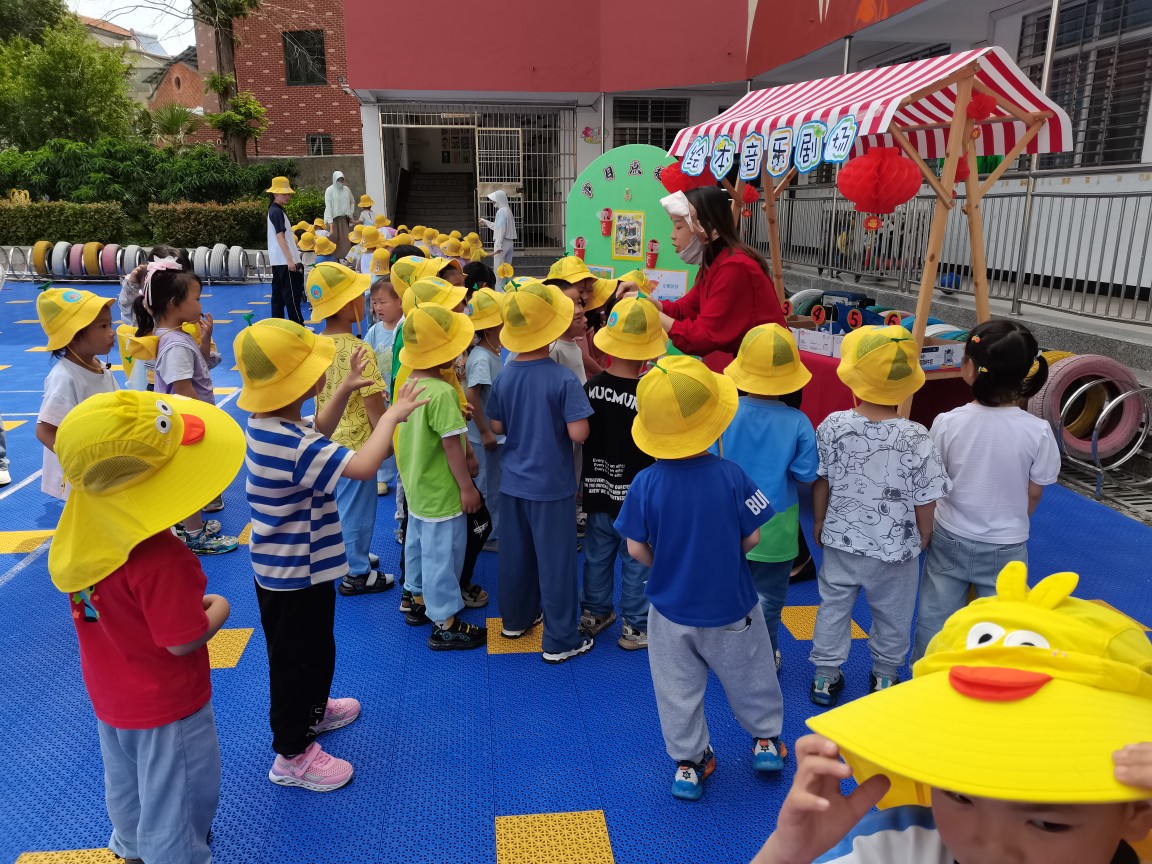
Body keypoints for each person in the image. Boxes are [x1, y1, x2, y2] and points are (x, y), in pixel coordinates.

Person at [752, 562, 1152, 864]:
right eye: (959, 794)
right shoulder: (898, 848)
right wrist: (786, 854)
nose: (991, 850)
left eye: (1049, 823)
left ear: (1137, 812)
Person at [47, 389, 244, 864]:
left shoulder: (83, 546)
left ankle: (133, 849)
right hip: (168, 705)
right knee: (178, 797)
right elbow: (182, 641)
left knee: (127, 787)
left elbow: (116, 614)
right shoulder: (161, 557)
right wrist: (219, 609)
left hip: (112, 700)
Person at [235, 318, 427, 792]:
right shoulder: (290, 442)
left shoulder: (270, 424)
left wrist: (342, 390)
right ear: (295, 384)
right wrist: (389, 417)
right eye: (314, 369)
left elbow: (318, 429)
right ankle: (292, 754)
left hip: (298, 566)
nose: (322, 371)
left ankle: (314, 711)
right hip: (293, 573)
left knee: (316, 648)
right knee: (295, 660)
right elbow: (362, 465)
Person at [615, 354, 787, 801]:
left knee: (677, 690)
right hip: (732, 603)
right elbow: (753, 536)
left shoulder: (645, 483)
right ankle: (766, 741)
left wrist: (668, 564)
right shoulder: (731, 475)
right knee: (752, 674)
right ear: (714, 423)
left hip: (670, 610)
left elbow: (635, 549)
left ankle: (689, 764)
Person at [810, 325, 951, 707]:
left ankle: (825, 676)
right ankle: (885, 675)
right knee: (894, 613)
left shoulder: (833, 425)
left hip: (841, 540)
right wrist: (924, 533)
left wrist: (820, 520)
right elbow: (926, 496)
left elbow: (821, 480)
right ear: (907, 386)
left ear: (854, 380)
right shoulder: (916, 436)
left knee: (833, 606)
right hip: (896, 547)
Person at [911, 320, 1061, 661]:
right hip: (1006, 544)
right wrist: (1016, 518)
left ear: (969, 368)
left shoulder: (948, 422)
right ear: (1025, 373)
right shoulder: (1038, 431)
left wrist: (926, 530)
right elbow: (1034, 492)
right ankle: (991, 678)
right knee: (1000, 622)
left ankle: (926, 672)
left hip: (950, 535)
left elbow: (932, 483)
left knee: (936, 616)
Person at [486, 282, 594, 663]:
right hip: (552, 486)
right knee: (557, 562)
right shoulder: (562, 378)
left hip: (513, 482)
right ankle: (561, 638)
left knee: (516, 555)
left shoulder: (506, 375)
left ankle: (515, 620)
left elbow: (496, 425)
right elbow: (579, 433)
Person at [715, 324, 818, 669]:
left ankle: (726, 653)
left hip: (728, 519)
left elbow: (709, 461)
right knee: (769, 599)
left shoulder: (725, 411)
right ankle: (765, 654)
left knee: (726, 591)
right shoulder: (799, 421)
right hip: (777, 523)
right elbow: (806, 474)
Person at [395, 303, 487, 650]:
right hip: (442, 492)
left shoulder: (409, 385)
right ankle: (445, 621)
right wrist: (467, 488)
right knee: (443, 556)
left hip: (417, 488)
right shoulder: (444, 393)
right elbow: (451, 445)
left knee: (418, 546)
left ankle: (417, 598)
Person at [133, 258, 240, 556]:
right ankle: (194, 536)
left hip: (184, 423)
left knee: (189, 479)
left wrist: (205, 340)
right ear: (174, 304)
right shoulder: (176, 344)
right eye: (196, 299)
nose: (200, 305)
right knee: (190, 481)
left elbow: (197, 366)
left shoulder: (176, 336)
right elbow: (183, 389)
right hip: (188, 425)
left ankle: (187, 526)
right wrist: (205, 424)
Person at [621, 187, 786, 372]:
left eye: (679, 226)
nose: (672, 235)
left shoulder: (734, 268)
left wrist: (650, 312)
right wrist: (646, 301)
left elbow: (700, 338)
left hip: (768, 370)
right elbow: (686, 309)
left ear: (709, 228)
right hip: (751, 364)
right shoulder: (714, 264)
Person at [579, 296, 665, 650]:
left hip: (597, 488)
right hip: (637, 496)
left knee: (597, 554)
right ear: (648, 352)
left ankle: (595, 612)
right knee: (637, 559)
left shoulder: (591, 388)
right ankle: (636, 625)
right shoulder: (648, 394)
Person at [308, 262, 394, 596]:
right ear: (346, 305)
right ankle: (357, 572)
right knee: (358, 509)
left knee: (337, 505)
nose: (365, 302)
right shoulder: (360, 349)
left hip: (325, 438)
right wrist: (385, 441)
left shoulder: (315, 344)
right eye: (359, 297)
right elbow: (373, 404)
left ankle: (347, 554)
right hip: (358, 446)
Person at [35, 288, 118, 501]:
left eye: (110, 324)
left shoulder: (99, 366)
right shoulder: (65, 378)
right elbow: (44, 430)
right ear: (72, 336)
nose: (112, 332)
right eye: (103, 326)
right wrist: (81, 461)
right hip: (82, 473)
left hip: (103, 461)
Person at [464, 288, 505, 553]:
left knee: (493, 483)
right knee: (487, 486)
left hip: (488, 434)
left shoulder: (490, 352)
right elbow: (472, 395)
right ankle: (487, 534)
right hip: (483, 437)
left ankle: (492, 529)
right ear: (490, 327)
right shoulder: (482, 358)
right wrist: (485, 431)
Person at [364, 277, 404, 496]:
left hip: (401, 393)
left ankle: (403, 468)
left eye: (383, 302)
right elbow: (367, 359)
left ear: (400, 301)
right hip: (382, 394)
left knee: (403, 432)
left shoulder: (405, 328)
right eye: (374, 303)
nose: (377, 307)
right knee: (383, 432)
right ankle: (383, 475)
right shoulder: (375, 331)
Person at [266, 176, 305, 324]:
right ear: (275, 194)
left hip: (278, 261)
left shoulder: (274, 210)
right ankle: (298, 326)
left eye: (288, 193)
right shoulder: (277, 212)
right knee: (292, 296)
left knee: (278, 296)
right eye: (284, 193)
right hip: (284, 261)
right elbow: (280, 236)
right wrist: (290, 260)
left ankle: (277, 325)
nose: (287, 196)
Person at [480, 190, 517, 276]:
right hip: (510, 242)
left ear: (499, 199)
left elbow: (500, 229)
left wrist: (499, 244)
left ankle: (498, 285)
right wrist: (485, 221)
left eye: (494, 199)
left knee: (498, 269)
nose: (492, 201)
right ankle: (507, 284)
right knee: (507, 269)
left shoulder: (501, 211)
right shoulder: (508, 210)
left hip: (502, 242)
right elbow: (498, 227)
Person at [324, 170, 357, 259]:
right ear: (334, 179)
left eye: (342, 179)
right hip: (332, 219)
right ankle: (332, 259)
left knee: (345, 239)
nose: (340, 182)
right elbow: (328, 206)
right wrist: (331, 223)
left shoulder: (346, 189)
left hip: (343, 219)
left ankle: (345, 258)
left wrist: (350, 214)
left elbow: (352, 201)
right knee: (333, 238)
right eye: (338, 180)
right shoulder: (329, 190)